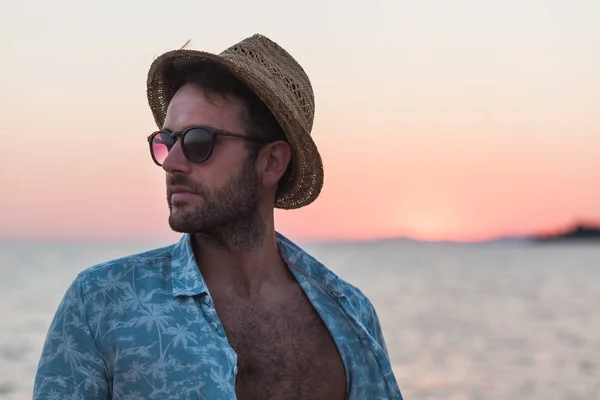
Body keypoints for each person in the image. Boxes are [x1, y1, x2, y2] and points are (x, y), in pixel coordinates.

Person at [33, 34, 403, 400]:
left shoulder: (349, 316)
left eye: (197, 142)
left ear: (271, 161)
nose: (172, 163)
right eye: (165, 142)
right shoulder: (102, 302)